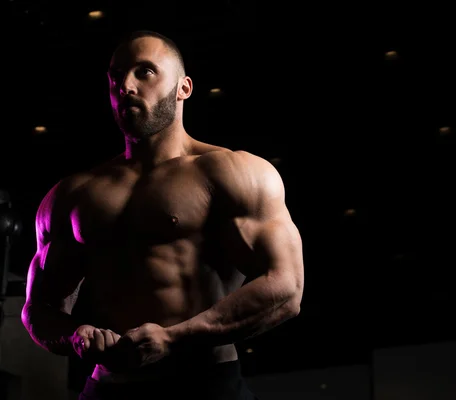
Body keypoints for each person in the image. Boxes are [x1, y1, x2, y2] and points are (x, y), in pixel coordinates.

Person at [21, 30, 305, 400]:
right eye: (116, 75)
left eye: (145, 71)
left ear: (183, 88)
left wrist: (174, 338)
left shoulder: (233, 172)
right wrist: (75, 335)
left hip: (205, 382)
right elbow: (38, 309)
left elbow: (286, 288)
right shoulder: (72, 195)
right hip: (109, 387)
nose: (125, 85)